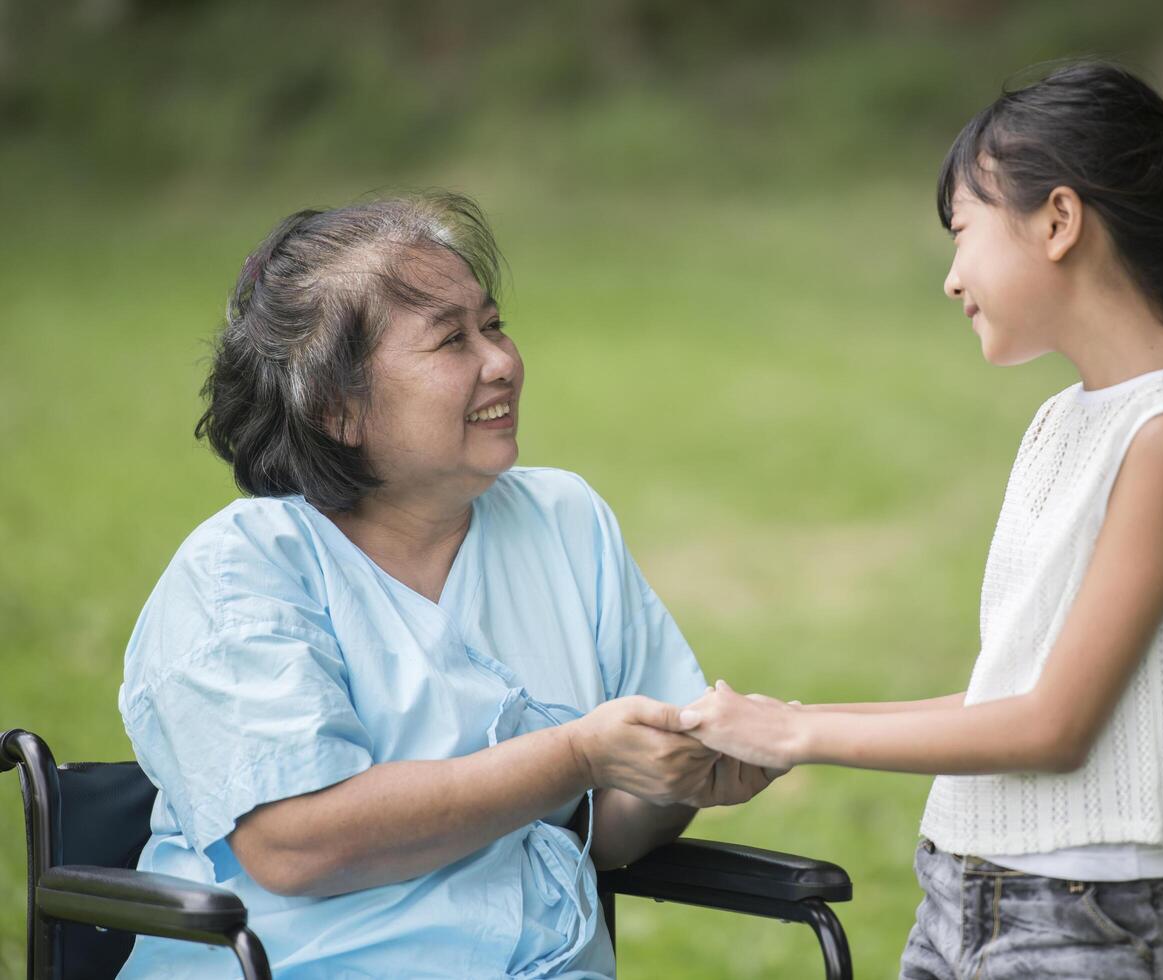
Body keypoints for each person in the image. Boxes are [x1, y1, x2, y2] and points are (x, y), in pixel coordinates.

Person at [680, 61, 1163, 978]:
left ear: (1057, 221)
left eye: (961, 233)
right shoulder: (1067, 422)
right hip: (967, 895)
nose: (949, 278)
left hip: (1080, 928)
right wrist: (791, 718)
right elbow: (1003, 702)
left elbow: (1052, 727)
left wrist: (799, 738)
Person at [116, 192, 775, 978]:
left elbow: (602, 832)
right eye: (450, 340)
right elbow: (296, 843)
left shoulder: (564, 520)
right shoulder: (244, 571)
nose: (500, 360)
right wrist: (574, 755)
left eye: (492, 325)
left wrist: (684, 779)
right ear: (338, 409)